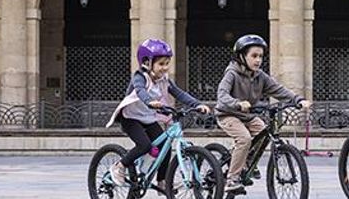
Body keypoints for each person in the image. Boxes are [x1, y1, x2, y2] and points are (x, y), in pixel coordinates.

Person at [106, 39, 211, 192]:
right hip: (130, 118)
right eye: (161, 64)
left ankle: (162, 181)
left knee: (165, 147)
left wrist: (197, 105)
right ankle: (119, 166)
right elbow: (140, 90)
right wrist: (150, 101)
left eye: (167, 63)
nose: (165, 68)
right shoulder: (140, 76)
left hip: (147, 118)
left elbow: (179, 93)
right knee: (144, 145)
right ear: (147, 63)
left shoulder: (164, 80)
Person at [216, 34, 311, 193]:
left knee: (263, 132)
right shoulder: (231, 73)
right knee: (244, 139)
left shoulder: (260, 76)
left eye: (260, 56)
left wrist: (298, 100)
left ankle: (246, 162)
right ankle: (232, 180)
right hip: (228, 114)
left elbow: (278, 90)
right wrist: (237, 103)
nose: (258, 60)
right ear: (241, 56)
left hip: (248, 116)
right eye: (254, 56)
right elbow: (222, 95)